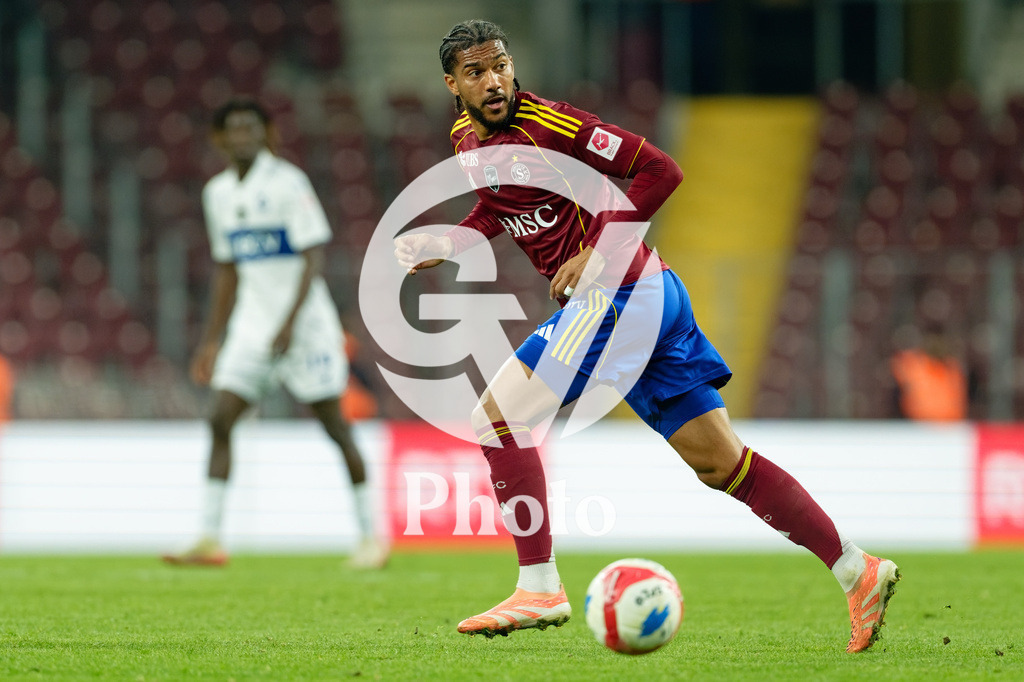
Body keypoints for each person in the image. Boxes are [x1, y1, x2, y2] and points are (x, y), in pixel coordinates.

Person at [393, 20, 899, 653]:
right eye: (476, 72)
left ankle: (539, 585)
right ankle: (857, 569)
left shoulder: (552, 124)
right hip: (650, 295)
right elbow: (500, 208)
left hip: (619, 294)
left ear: (513, 65)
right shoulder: (466, 139)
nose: (493, 81)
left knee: (497, 418)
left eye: (499, 66)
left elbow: (661, 170)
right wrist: (446, 242)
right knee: (722, 464)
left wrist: (598, 253)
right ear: (452, 83)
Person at [163, 98, 387, 569]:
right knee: (220, 419)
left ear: (265, 133)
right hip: (251, 325)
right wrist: (211, 340)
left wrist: (288, 322)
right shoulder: (218, 193)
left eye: (251, 128)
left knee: (333, 425)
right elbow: (228, 270)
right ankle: (209, 538)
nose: (243, 136)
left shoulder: (288, 183)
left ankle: (371, 538)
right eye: (233, 130)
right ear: (218, 139)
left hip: (304, 326)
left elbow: (312, 257)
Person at [891, 323, 968, 421]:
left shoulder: (953, 368)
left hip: (950, 426)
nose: (936, 346)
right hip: (918, 426)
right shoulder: (913, 366)